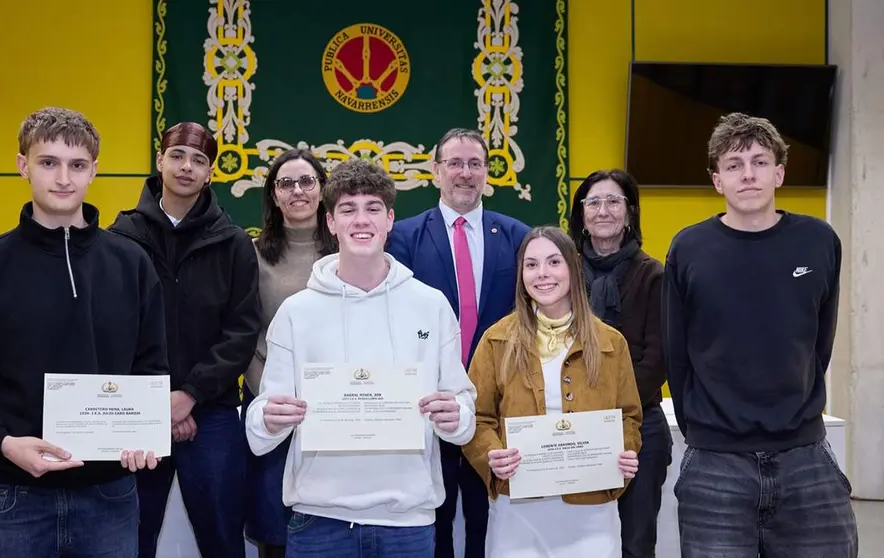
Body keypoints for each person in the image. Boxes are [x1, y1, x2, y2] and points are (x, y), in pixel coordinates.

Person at [0, 106, 167, 558]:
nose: (63, 178)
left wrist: (143, 435)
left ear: (94, 171)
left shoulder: (132, 264)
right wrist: (5, 444)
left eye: (77, 165)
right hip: (12, 498)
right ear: (23, 166)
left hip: (110, 496)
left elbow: (150, 369)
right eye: (48, 162)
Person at [245, 158, 477, 558]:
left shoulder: (431, 306)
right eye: (348, 210)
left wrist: (456, 415)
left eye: (372, 208)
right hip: (318, 520)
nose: (361, 220)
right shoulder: (297, 312)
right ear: (331, 222)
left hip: (408, 522)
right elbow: (258, 430)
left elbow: (464, 417)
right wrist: (267, 418)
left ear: (390, 219)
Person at [663, 112, 857, 557]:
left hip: (805, 455)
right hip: (715, 461)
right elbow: (678, 355)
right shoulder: (689, 248)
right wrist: (707, 432)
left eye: (759, 161)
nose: (747, 174)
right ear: (717, 180)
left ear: (779, 173)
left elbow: (818, 342)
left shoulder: (819, 241)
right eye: (734, 165)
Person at [109, 122, 261, 558]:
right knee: (131, 537)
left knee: (222, 538)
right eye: (177, 156)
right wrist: (162, 400)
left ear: (211, 172)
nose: (186, 167)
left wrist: (190, 394)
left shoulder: (233, 244)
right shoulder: (122, 239)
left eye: (199, 160)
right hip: (136, 408)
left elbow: (241, 330)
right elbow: (116, 328)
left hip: (211, 413)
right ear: (159, 162)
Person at [386, 127, 530, 558]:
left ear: (487, 173)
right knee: (435, 524)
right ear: (436, 172)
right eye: (454, 163)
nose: (465, 173)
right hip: (429, 409)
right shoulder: (404, 238)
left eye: (475, 164)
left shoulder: (517, 236)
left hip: (497, 410)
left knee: (492, 525)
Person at [462, 225, 642, 557]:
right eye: (531, 265)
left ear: (572, 267)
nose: (542, 274)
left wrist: (626, 452)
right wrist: (492, 457)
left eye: (553, 262)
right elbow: (477, 418)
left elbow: (629, 417)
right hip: (518, 512)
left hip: (592, 511)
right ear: (521, 274)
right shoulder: (496, 340)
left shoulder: (611, 343)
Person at [568, 169, 671, 558]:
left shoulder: (655, 275)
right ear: (581, 214)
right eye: (593, 202)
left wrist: (607, 411)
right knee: (577, 540)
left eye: (614, 201)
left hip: (640, 428)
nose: (603, 210)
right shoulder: (564, 274)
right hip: (574, 427)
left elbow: (657, 359)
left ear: (630, 213)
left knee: (636, 542)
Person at [242, 148, 338, 558]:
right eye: (286, 183)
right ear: (274, 195)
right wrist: (273, 396)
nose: (297, 191)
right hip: (274, 406)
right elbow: (243, 332)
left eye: (307, 181)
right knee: (276, 528)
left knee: (334, 523)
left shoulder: (348, 251)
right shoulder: (252, 253)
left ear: (322, 189)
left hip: (341, 408)